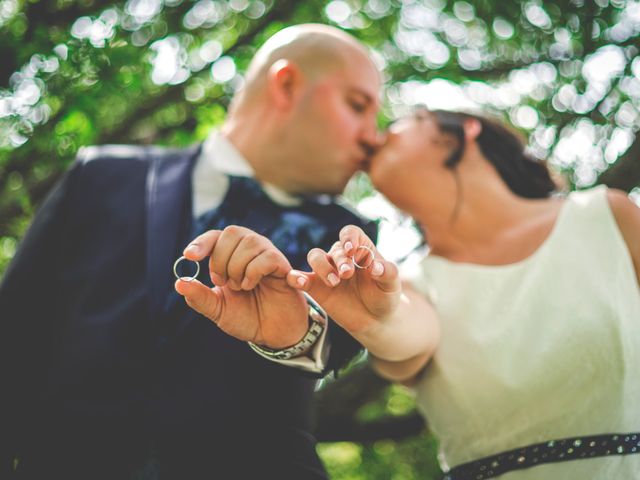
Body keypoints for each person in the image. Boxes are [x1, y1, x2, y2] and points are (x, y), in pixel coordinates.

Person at [0, 24, 382, 479]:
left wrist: (298, 331)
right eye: (358, 106)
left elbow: (334, 345)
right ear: (287, 85)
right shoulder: (101, 175)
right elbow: (13, 342)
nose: (372, 137)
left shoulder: (349, 235)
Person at [273, 108, 639, 479]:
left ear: (460, 132)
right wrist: (374, 318)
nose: (371, 139)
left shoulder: (606, 216)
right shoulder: (413, 284)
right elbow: (398, 327)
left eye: (395, 126)